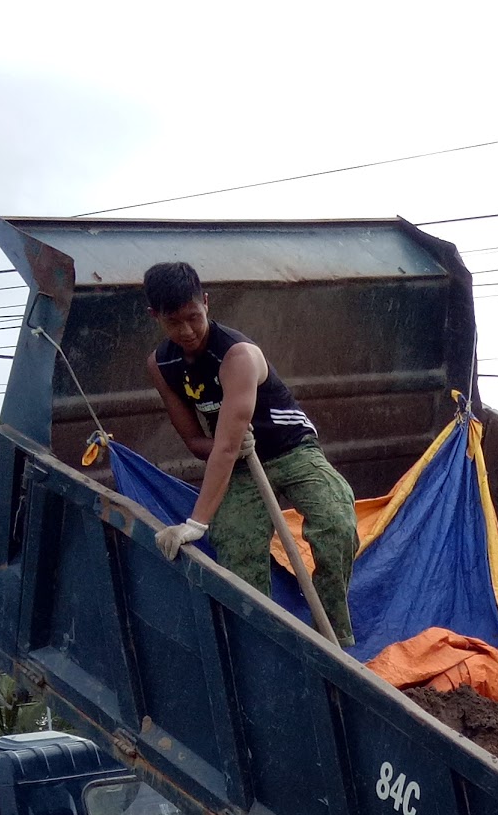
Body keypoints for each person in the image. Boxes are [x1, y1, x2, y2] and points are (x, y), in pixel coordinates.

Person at [139, 260, 359, 646]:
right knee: (236, 544)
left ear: (206, 303)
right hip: (240, 464)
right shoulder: (163, 365)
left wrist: (196, 523)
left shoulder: (237, 356)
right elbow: (197, 443)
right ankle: (264, 645)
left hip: (294, 450)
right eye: (174, 322)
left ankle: (332, 639)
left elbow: (224, 446)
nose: (186, 331)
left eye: (194, 317)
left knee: (336, 522)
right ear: (154, 316)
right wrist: (224, 445)